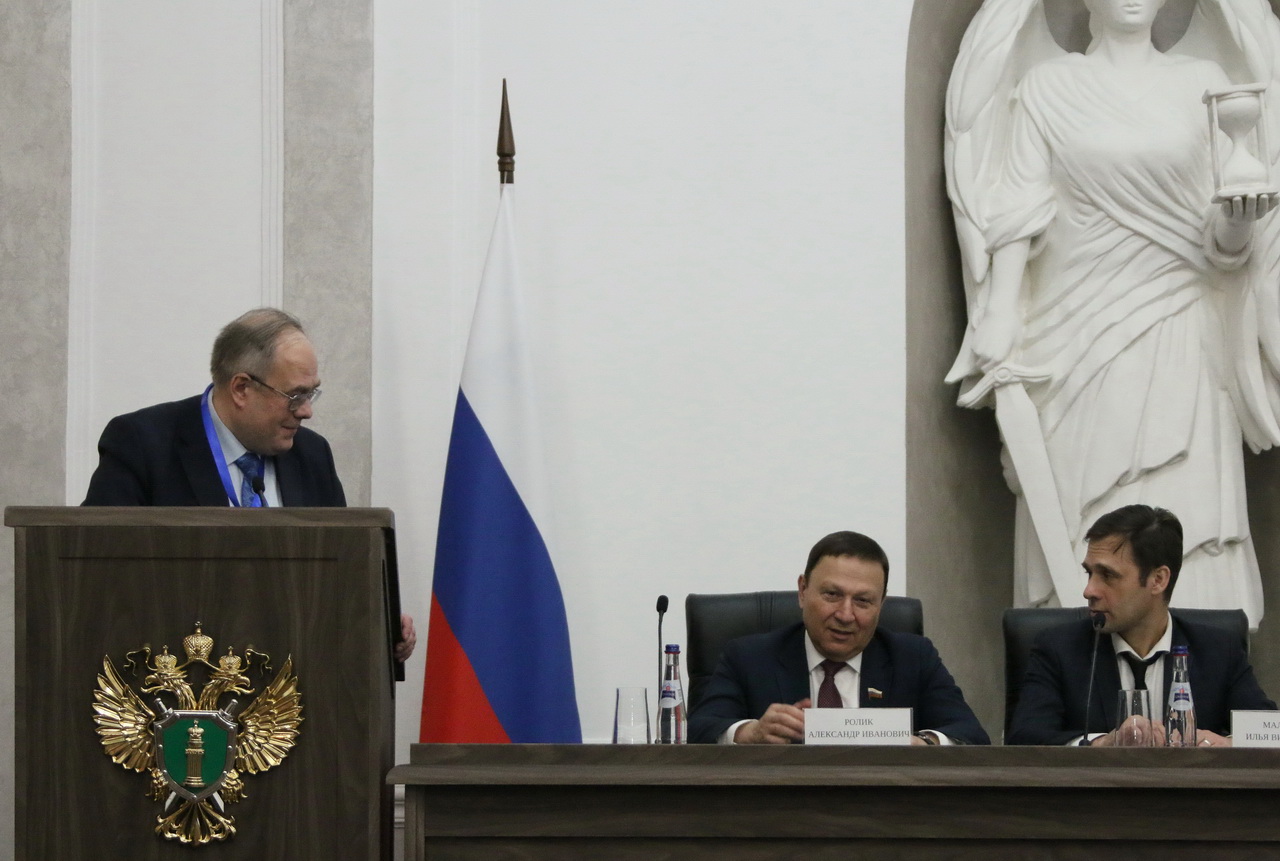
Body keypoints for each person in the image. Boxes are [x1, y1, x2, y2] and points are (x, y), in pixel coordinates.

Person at [946, 0, 1280, 623]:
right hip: (1071, 333)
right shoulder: (1046, 86)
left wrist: (1238, 223)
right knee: (1075, 509)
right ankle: (1074, 668)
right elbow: (1020, 204)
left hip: (1180, 325)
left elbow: (1226, 245)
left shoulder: (1204, 82)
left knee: (1186, 503)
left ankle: (1194, 666)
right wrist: (1000, 312)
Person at [83, 307, 416, 661]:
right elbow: (98, 576)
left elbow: (341, 575)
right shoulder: (143, 443)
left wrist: (378, 623)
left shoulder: (312, 454)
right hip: (181, 670)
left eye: (311, 394)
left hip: (294, 673)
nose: (306, 411)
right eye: (295, 396)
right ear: (241, 388)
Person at [688, 531, 989, 745]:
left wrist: (924, 744)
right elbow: (698, 730)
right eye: (832, 595)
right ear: (803, 590)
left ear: (881, 604)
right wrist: (749, 733)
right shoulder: (749, 657)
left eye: (862, 601)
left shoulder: (913, 657)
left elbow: (971, 734)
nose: (845, 615)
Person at [1007, 504, 1274, 746]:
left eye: (1107, 575)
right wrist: (1101, 744)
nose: (1089, 590)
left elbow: (1270, 733)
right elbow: (1024, 738)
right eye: (1090, 573)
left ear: (1158, 580)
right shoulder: (1058, 649)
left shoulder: (1218, 650)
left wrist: (1227, 745)